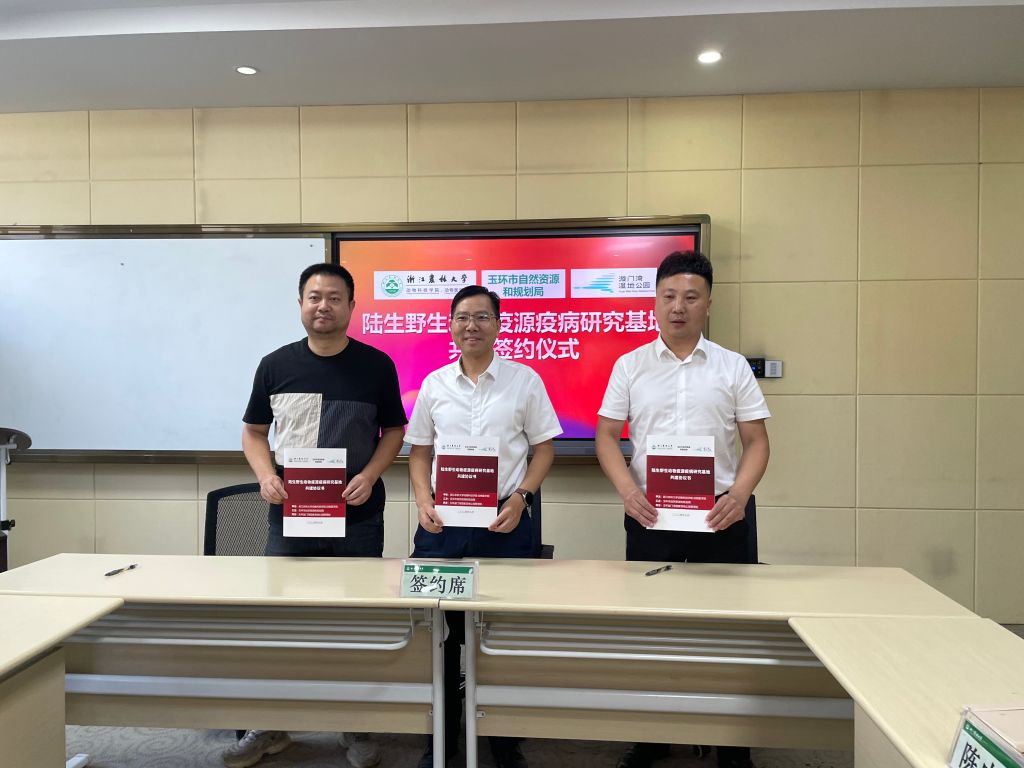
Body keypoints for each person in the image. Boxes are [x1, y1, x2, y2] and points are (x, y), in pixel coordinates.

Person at [225, 262, 408, 768]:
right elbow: (254, 432)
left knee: (357, 622)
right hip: (292, 516)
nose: (323, 305)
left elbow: (394, 430)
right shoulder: (275, 365)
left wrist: (370, 474)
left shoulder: (376, 365)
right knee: (281, 622)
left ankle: (356, 724)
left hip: (358, 517)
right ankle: (271, 724)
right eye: (314, 296)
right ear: (301, 304)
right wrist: (265, 475)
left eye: (333, 297)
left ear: (351, 306)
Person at [595, 251, 771, 768]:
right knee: (651, 629)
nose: (679, 307)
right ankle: (652, 737)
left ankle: (733, 746)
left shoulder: (731, 366)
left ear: (708, 305)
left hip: (722, 516)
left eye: (691, 297)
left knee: (730, 630)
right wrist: (628, 491)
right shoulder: (630, 365)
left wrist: (739, 496)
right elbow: (606, 436)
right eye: (669, 296)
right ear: (654, 301)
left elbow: (757, 442)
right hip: (651, 515)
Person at [405, 285, 562, 768]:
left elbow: (544, 449)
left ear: (497, 324)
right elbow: (420, 452)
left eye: (481, 317)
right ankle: (440, 740)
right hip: (444, 525)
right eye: (462, 317)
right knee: (439, 634)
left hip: (504, 522)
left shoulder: (524, 380)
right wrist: (424, 500)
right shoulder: (434, 384)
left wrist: (522, 497)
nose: (471, 325)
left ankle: (503, 741)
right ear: (451, 325)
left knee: (500, 636)